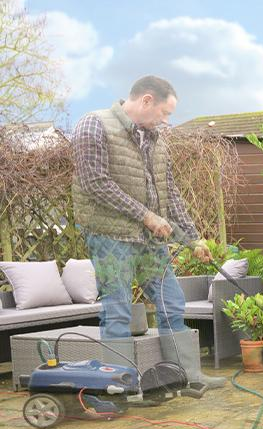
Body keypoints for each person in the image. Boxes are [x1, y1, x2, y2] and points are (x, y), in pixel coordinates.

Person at [72, 75, 224, 390]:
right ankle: (120, 387)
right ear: (146, 100)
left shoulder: (156, 141)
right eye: (164, 113)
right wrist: (145, 215)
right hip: (110, 238)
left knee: (172, 301)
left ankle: (188, 378)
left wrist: (192, 238)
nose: (166, 121)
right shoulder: (94, 124)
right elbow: (94, 182)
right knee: (117, 309)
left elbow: (170, 193)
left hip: (149, 241)